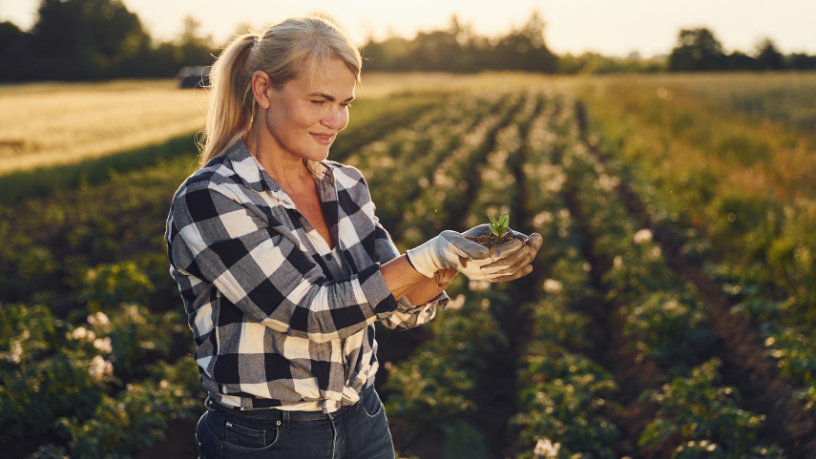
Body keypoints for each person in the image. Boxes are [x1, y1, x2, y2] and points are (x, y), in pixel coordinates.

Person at [164, 16, 542, 459]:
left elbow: (400, 307)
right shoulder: (212, 198)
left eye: (345, 103)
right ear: (264, 90)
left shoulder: (345, 184)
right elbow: (309, 313)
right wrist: (426, 256)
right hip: (267, 438)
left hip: (363, 420)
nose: (336, 120)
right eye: (319, 101)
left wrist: (456, 259)